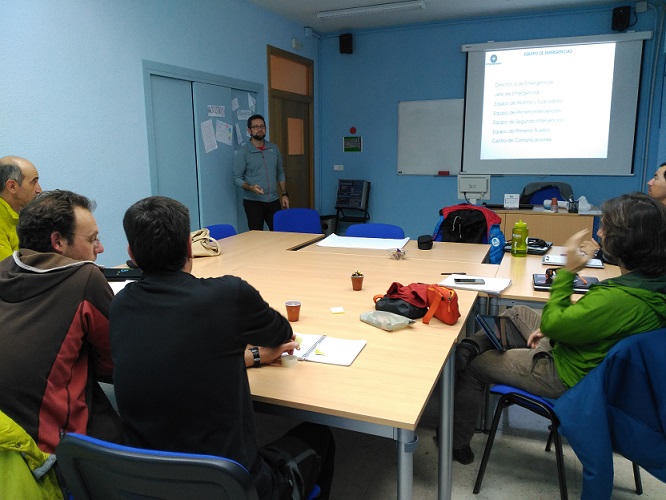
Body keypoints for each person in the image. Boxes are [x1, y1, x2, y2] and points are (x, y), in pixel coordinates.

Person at [110, 196, 335, 500]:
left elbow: (185, 360)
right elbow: (281, 333)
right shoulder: (227, 295)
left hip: (148, 481)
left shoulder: (121, 305)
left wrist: (253, 356)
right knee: (320, 437)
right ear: (189, 247)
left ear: (131, 255)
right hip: (230, 486)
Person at [451, 192, 666, 465]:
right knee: (517, 312)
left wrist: (567, 271)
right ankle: (471, 346)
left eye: (605, 228)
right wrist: (558, 328)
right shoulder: (652, 285)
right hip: (585, 354)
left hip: (564, 372)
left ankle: (455, 442)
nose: (599, 232)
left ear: (626, 241)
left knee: (475, 368)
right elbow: (587, 322)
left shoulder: (617, 299)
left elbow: (555, 322)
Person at [0, 190, 122, 454]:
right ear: (58, 242)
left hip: (8, 442)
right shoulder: (85, 278)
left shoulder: (4, 268)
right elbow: (116, 364)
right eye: (92, 239)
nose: (100, 248)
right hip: (51, 455)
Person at [582, 161, 666, 258]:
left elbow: (640, 258)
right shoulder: (651, 211)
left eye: (656, 178)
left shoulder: (648, 216)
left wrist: (598, 253)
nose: (649, 182)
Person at [233, 114, 289, 230]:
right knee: (257, 236)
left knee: (280, 233)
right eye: (256, 127)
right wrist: (251, 187)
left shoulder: (273, 148)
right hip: (253, 202)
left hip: (273, 199)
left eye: (262, 126)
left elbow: (280, 172)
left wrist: (284, 194)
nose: (260, 129)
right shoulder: (244, 152)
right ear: (249, 130)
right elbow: (236, 178)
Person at [0, 156, 42, 261]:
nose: (39, 190)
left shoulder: (24, 216)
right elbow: (6, 269)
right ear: (12, 186)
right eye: (33, 182)